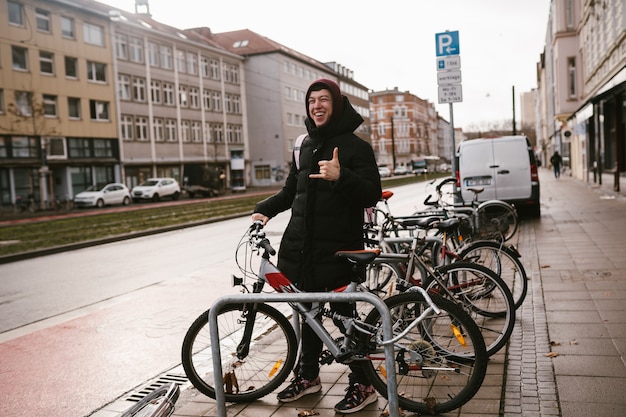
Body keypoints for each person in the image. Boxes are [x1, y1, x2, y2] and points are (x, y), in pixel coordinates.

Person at [251, 78, 382, 413]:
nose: (317, 105)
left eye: (324, 99)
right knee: (307, 316)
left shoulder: (356, 147)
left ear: (336, 105)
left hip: (338, 251)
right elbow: (291, 192)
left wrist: (342, 177)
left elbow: (371, 193)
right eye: (312, 100)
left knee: (342, 319)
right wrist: (264, 210)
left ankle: (363, 383)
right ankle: (308, 377)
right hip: (300, 249)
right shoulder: (306, 145)